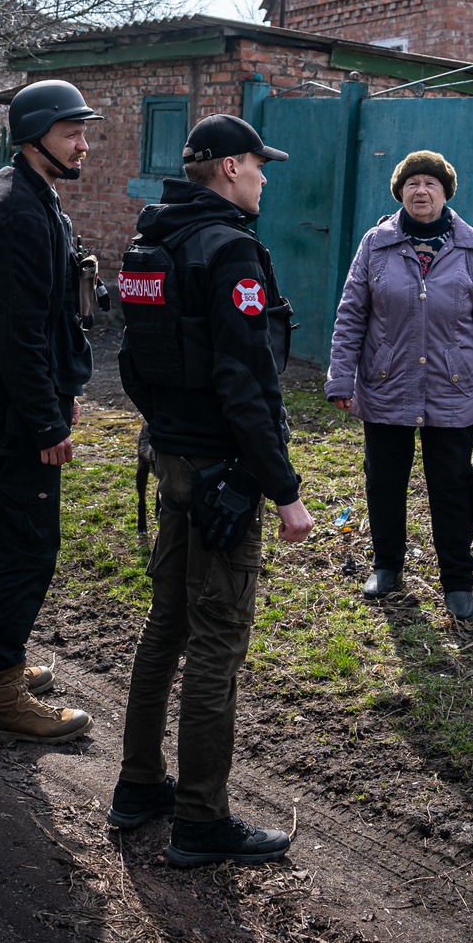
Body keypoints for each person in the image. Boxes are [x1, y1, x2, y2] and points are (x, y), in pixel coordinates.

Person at [110, 114, 316, 867]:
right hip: (221, 475)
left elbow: (133, 361)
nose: (265, 176)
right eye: (260, 165)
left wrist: (170, 432)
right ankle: (200, 818)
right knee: (217, 642)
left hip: (171, 458)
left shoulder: (152, 238)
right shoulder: (228, 247)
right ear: (230, 167)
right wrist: (282, 488)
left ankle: (137, 787)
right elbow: (245, 380)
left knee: (166, 625)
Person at [0, 80, 102, 744]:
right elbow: (18, 335)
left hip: (19, 406)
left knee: (9, 532)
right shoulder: (16, 211)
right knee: (30, 544)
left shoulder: (30, 194)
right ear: (34, 135)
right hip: (20, 412)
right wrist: (47, 423)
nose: (83, 144)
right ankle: (4, 692)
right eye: (72, 133)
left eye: (83, 132)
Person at [325, 150, 473, 623]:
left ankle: (458, 582)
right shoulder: (376, 244)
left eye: (430, 183)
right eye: (411, 184)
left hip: (452, 387)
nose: (420, 191)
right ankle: (387, 566)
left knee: (452, 485)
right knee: (384, 480)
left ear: (446, 192)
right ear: (399, 192)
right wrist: (342, 376)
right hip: (387, 384)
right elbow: (351, 315)